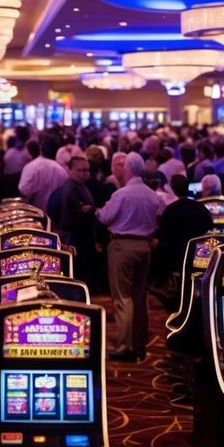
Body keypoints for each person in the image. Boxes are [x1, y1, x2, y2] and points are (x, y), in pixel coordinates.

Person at [96, 152, 164, 362]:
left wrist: (98, 210)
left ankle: (125, 346)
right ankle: (139, 345)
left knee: (123, 298)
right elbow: (159, 219)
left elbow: (106, 218)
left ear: (128, 169)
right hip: (144, 247)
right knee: (139, 297)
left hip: (123, 246)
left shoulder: (122, 194)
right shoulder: (153, 195)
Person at [152, 173, 213, 299]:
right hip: (199, 256)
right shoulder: (200, 207)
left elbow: (165, 242)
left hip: (177, 258)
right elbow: (210, 229)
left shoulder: (170, 210)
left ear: (173, 189)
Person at [56, 155, 97, 286]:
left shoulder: (80, 185)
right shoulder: (72, 188)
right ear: (70, 170)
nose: (85, 174)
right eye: (80, 170)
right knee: (78, 275)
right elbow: (76, 216)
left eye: (87, 170)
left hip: (81, 237)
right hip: (75, 238)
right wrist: (90, 212)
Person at [18, 137, 67, 213]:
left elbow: (24, 191)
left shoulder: (31, 166)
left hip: (34, 213)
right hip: (55, 214)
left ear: (40, 149)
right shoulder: (62, 171)